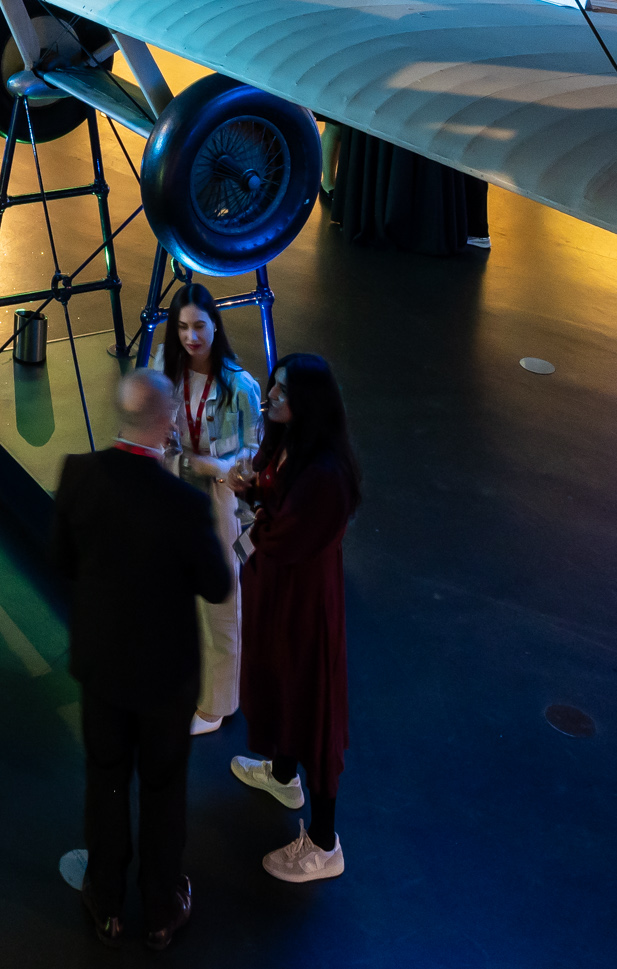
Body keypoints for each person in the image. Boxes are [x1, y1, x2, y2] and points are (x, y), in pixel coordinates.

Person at [54, 370, 234, 948]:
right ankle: (160, 910)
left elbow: (62, 561)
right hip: (165, 679)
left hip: (102, 670)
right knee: (163, 790)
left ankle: (106, 904)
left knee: (106, 783)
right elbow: (217, 586)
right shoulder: (184, 504)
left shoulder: (78, 474)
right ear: (167, 421)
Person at [232, 354, 362, 885]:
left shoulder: (327, 474)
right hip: (280, 592)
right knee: (280, 682)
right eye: (274, 386)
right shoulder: (289, 442)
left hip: (306, 605)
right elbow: (274, 498)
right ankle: (284, 776)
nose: (272, 397)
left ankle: (326, 844)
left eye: (283, 391)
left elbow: (287, 535)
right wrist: (253, 490)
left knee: (313, 704)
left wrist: (255, 512)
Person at [158, 284, 265, 737]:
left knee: (221, 601)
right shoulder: (165, 373)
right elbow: (156, 443)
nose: (191, 336)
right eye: (182, 327)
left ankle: (218, 702)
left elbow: (253, 458)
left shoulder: (240, 387)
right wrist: (188, 463)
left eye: (199, 326)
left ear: (215, 326)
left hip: (221, 502)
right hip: (176, 495)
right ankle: (185, 678)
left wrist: (214, 468)